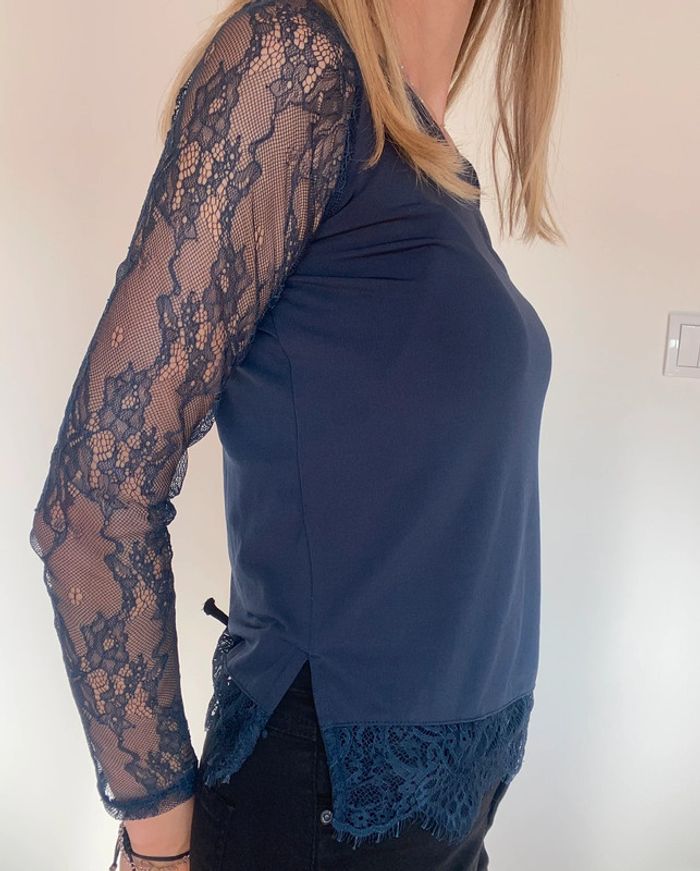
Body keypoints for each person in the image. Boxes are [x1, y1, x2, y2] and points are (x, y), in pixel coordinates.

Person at [29, 0, 562, 868]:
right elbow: (92, 503)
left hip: (446, 812)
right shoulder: (295, 63)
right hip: (323, 812)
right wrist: (160, 850)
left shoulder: (430, 157)